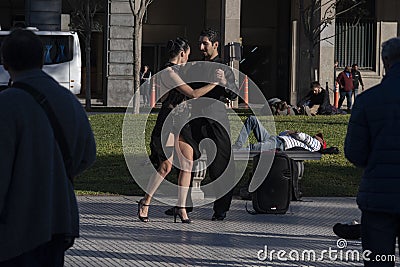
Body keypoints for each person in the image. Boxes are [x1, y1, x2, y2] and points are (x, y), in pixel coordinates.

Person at [0, 29, 96, 266]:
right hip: (58, 221)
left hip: (15, 228)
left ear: (5, 62)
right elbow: (88, 155)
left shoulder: (6, 105)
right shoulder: (69, 101)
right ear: (42, 58)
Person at [137, 37, 223, 224]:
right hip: (168, 122)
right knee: (166, 166)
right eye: (188, 54)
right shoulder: (168, 72)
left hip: (183, 123)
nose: (188, 58)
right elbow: (192, 94)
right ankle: (145, 202)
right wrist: (215, 83)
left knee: (187, 164)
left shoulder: (181, 71)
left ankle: (181, 208)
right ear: (182, 53)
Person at [344, 37, 400, 266]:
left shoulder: (368, 101)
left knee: (379, 261)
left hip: (378, 197)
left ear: (385, 61)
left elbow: (354, 153)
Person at [232, 116, 326, 152]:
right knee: (252, 119)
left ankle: (233, 152)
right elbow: (283, 133)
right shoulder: (312, 142)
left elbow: (301, 136)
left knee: (253, 148)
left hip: (279, 144)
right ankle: (238, 145)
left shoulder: (317, 144)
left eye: (319, 136)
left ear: (321, 142)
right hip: (276, 139)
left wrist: (294, 132)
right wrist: (290, 132)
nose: (316, 135)